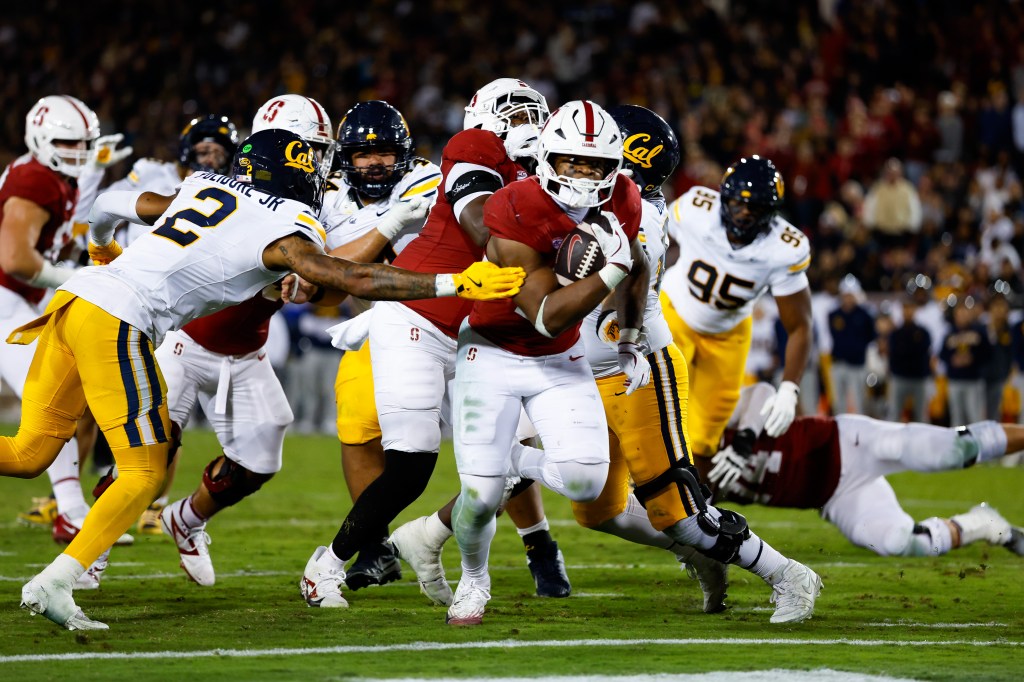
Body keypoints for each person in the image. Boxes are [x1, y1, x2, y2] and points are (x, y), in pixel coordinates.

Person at [1, 128, 524, 631]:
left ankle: (68, 575)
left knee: (28, 454)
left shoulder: (203, 184)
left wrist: (99, 247)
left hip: (76, 300)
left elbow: (110, 205)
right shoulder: (287, 225)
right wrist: (452, 281)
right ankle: (56, 582)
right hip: (119, 319)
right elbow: (349, 278)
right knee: (144, 471)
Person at [300, 79, 573, 606]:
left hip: (479, 333)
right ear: (485, 118)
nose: (523, 125)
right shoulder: (473, 149)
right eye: (511, 114)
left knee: (514, 455)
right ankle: (326, 566)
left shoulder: (547, 174)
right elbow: (479, 224)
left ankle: (430, 539)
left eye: (531, 114)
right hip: (416, 322)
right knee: (410, 468)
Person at [156, 99, 334, 586]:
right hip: (186, 341)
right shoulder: (222, 188)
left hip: (246, 351)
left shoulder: (320, 201)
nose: (315, 166)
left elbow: (329, 279)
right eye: (305, 153)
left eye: (318, 152)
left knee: (261, 456)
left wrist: (310, 283)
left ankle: (187, 521)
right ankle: (92, 549)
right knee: (149, 453)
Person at [88, 114, 242, 537]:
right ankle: (71, 497)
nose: (209, 155)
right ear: (185, 149)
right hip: (129, 295)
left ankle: (147, 503)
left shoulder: (234, 191)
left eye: (218, 149)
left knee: (160, 423)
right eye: (202, 148)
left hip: (173, 314)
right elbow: (102, 208)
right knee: (107, 412)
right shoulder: (155, 174)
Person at [316, 99, 442, 589]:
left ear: (404, 154)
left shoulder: (427, 181)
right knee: (355, 424)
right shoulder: (327, 199)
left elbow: (328, 271)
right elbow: (322, 287)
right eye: (363, 154)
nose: (374, 162)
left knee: (507, 437)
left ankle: (539, 544)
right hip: (382, 327)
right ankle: (375, 547)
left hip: (455, 322)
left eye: (385, 152)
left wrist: (331, 265)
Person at [1, 96, 132, 544]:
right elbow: (15, 258)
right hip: (6, 300)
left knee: (61, 406)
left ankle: (72, 509)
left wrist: (94, 170)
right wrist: (72, 276)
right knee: (53, 408)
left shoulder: (56, 175)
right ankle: (72, 510)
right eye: (66, 142)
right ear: (40, 137)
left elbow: (63, 229)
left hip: (19, 303)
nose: (77, 152)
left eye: (84, 144)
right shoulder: (36, 177)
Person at [706, 383, 1024, 558]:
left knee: (952, 450)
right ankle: (983, 525)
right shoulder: (679, 480)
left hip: (847, 443)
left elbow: (760, 392)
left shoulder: (696, 419)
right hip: (836, 499)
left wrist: (744, 439)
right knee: (899, 542)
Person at [659, 156, 813, 461]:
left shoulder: (784, 249)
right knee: (652, 411)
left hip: (728, 335)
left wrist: (789, 388)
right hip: (673, 313)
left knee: (703, 440)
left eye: (755, 207)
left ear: (771, 212)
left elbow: (800, 326)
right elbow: (648, 233)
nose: (744, 213)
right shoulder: (695, 210)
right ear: (723, 197)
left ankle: (692, 507)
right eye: (738, 203)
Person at [827, 274, 876, 414]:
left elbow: (871, 337)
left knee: (858, 403)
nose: (848, 298)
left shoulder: (864, 315)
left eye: (850, 295)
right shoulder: (834, 315)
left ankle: (858, 434)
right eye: (845, 295)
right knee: (838, 403)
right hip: (838, 363)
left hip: (857, 365)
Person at [887, 296, 933, 422]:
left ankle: (922, 442)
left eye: (910, 308)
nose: (908, 311)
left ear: (915, 310)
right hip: (899, 377)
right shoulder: (895, 333)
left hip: (919, 378)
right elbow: (894, 354)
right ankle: (893, 442)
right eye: (905, 308)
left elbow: (923, 352)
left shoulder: (923, 332)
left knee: (922, 417)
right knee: (894, 415)